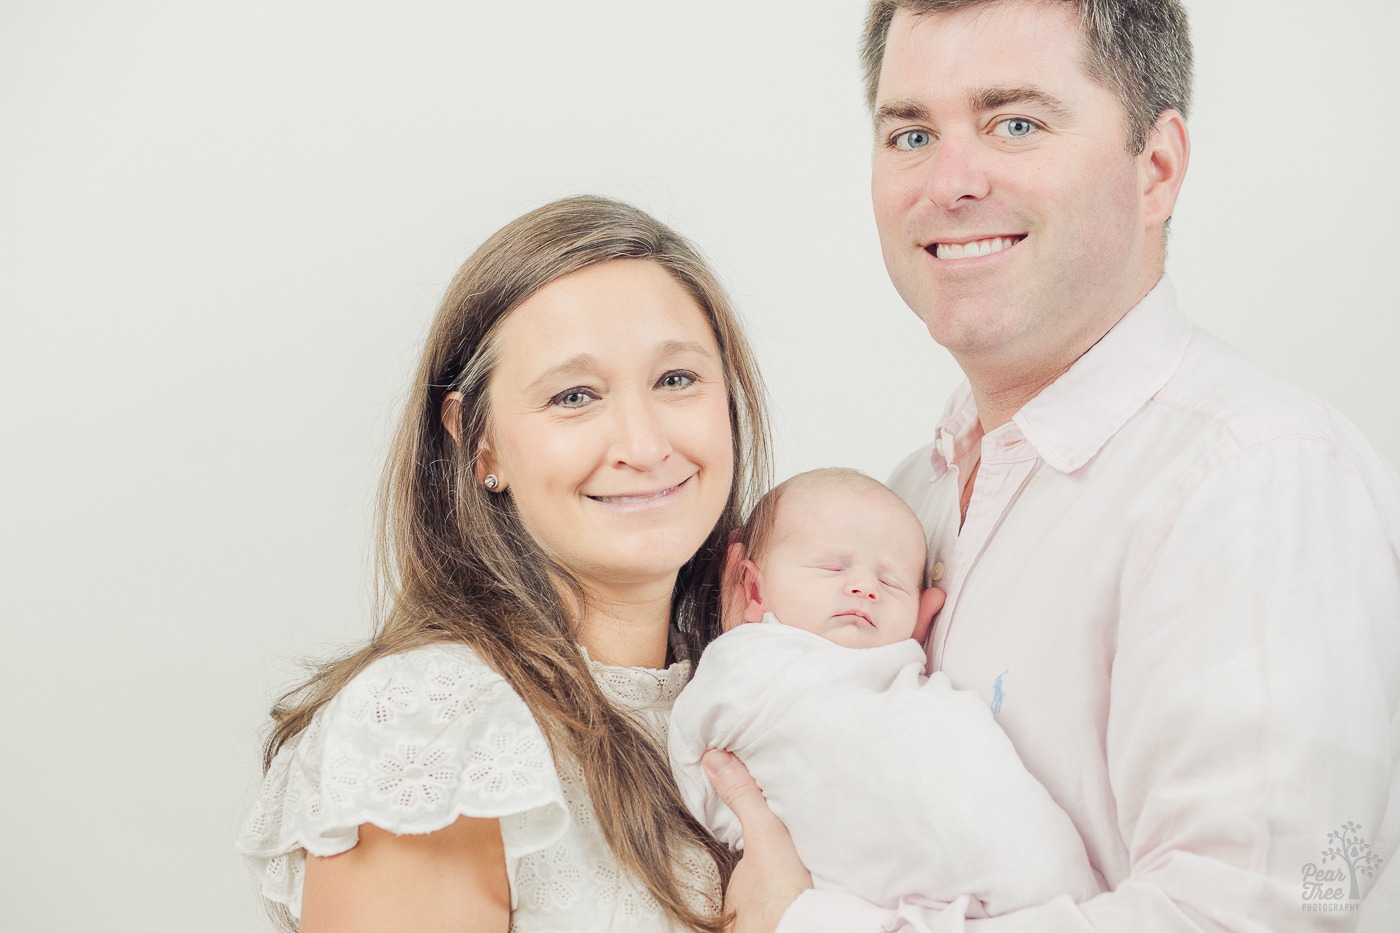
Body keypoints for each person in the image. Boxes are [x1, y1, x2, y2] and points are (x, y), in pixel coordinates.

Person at [704, 2, 1400, 931]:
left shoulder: (1257, 479)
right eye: (911, 132)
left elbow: (1268, 915)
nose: (949, 182)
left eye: (1016, 123)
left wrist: (810, 923)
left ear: (1156, 169)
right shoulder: (908, 499)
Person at [235, 195, 772, 932]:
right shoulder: (436, 728)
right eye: (574, 395)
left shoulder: (752, 694)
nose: (644, 444)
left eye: (676, 379)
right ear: (478, 444)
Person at [669, 468, 1100, 914]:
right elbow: (693, 753)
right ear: (753, 589)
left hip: (1010, 851)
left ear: (921, 616)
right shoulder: (748, 665)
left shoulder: (909, 685)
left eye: (891, 582)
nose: (864, 587)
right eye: (831, 567)